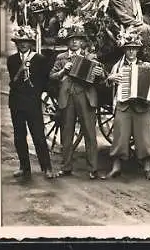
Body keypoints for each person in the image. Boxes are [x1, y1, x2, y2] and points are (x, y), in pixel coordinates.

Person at [49, 17, 106, 179]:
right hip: (67, 96)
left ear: (82, 43)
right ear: (68, 42)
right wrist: (62, 72)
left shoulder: (91, 58)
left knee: (89, 133)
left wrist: (100, 74)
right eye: (72, 40)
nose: (74, 43)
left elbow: (102, 78)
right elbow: (52, 76)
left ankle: (93, 168)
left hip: (86, 96)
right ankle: (66, 167)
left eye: (78, 40)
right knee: (66, 132)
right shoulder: (61, 58)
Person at [104, 27, 150, 180]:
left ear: (137, 51)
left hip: (141, 106)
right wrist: (111, 79)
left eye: (134, 49)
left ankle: (147, 168)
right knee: (120, 136)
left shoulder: (147, 66)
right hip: (123, 105)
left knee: (145, 137)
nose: (131, 52)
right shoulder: (117, 66)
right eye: (128, 49)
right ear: (124, 50)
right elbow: (108, 82)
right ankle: (116, 167)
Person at [7, 25, 56, 179]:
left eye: (26, 41)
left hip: (33, 102)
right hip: (16, 103)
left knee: (39, 136)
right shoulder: (12, 60)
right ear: (16, 43)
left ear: (31, 43)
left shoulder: (40, 59)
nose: (23, 44)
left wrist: (40, 96)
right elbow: (13, 82)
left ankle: (47, 167)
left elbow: (44, 81)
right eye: (20, 41)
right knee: (19, 137)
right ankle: (24, 167)